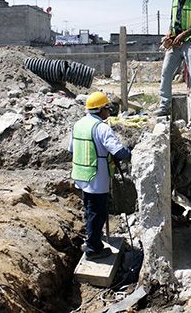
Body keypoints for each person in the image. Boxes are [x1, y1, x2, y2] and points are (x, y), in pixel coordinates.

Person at [70, 92, 132, 260]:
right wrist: (131, 153)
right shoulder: (101, 128)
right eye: (107, 108)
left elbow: (71, 148)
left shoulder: (79, 124)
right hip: (96, 177)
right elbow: (118, 151)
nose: (109, 112)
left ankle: (92, 239)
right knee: (97, 213)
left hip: (81, 175)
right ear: (100, 110)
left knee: (90, 210)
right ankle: (93, 248)